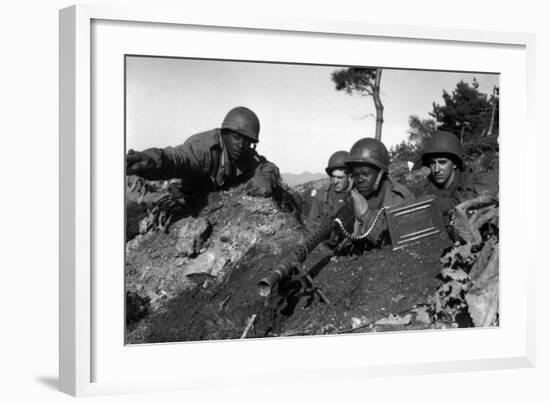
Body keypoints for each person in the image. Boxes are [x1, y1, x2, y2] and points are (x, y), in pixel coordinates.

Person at [126, 106, 280, 198]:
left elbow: (267, 165)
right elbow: (177, 158)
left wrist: (266, 178)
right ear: (224, 133)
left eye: (247, 141)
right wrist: (151, 161)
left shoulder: (245, 153)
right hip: (181, 195)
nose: (241, 145)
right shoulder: (204, 149)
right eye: (236, 137)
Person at [343, 137, 415, 247]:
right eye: (356, 175)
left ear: (380, 174)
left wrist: (365, 214)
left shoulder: (399, 198)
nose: (360, 179)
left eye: (365, 174)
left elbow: (389, 239)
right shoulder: (353, 197)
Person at [414, 131, 495, 220]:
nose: (437, 169)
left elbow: (478, 199)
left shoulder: (471, 178)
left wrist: (433, 204)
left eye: (442, 162)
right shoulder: (425, 186)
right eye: (433, 163)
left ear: (455, 163)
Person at [306, 151, 353, 230]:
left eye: (340, 178)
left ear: (349, 177)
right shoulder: (322, 194)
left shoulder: (357, 196)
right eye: (333, 177)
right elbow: (311, 224)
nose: (335, 181)